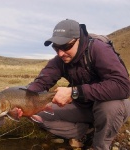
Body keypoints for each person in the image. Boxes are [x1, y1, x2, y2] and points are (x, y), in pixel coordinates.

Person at [19, 19, 130, 149]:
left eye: (66, 46)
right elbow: (40, 83)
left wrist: (74, 92)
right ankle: (86, 132)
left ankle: (100, 145)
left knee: (109, 108)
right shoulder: (60, 60)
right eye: (56, 47)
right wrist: (17, 93)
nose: (60, 53)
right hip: (82, 106)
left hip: (109, 104)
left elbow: (123, 86)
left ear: (79, 40)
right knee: (36, 114)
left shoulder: (99, 49)